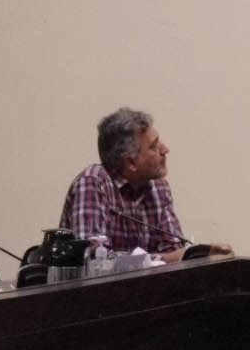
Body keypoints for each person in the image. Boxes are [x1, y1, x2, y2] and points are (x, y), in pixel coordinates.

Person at [59, 108, 187, 259]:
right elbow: (93, 258)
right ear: (131, 162)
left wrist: (196, 254)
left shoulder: (159, 187)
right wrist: (162, 259)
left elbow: (174, 250)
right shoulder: (92, 182)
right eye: (153, 146)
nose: (165, 150)